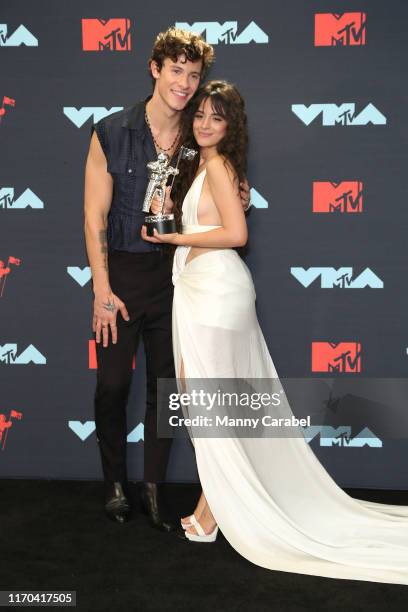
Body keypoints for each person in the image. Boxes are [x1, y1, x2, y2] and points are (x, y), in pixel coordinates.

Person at [142, 80, 408, 585]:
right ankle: (215, 504)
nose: (203, 124)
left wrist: (175, 235)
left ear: (230, 126)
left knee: (213, 406)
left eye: (216, 118)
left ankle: (212, 512)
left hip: (217, 294)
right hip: (200, 290)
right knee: (208, 406)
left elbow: (237, 235)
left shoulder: (218, 165)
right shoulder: (205, 164)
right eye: (199, 115)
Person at [84, 28, 250, 529]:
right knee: (113, 385)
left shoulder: (199, 136)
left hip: (177, 279)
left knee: (166, 388)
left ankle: (154, 489)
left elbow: (223, 189)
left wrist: (239, 194)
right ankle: (116, 484)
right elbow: (94, 218)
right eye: (175, 70)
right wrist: (101, 290)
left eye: (193, 75)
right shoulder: (111, 131)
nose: (183, 83)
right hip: (123, 274)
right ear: (155, 69)